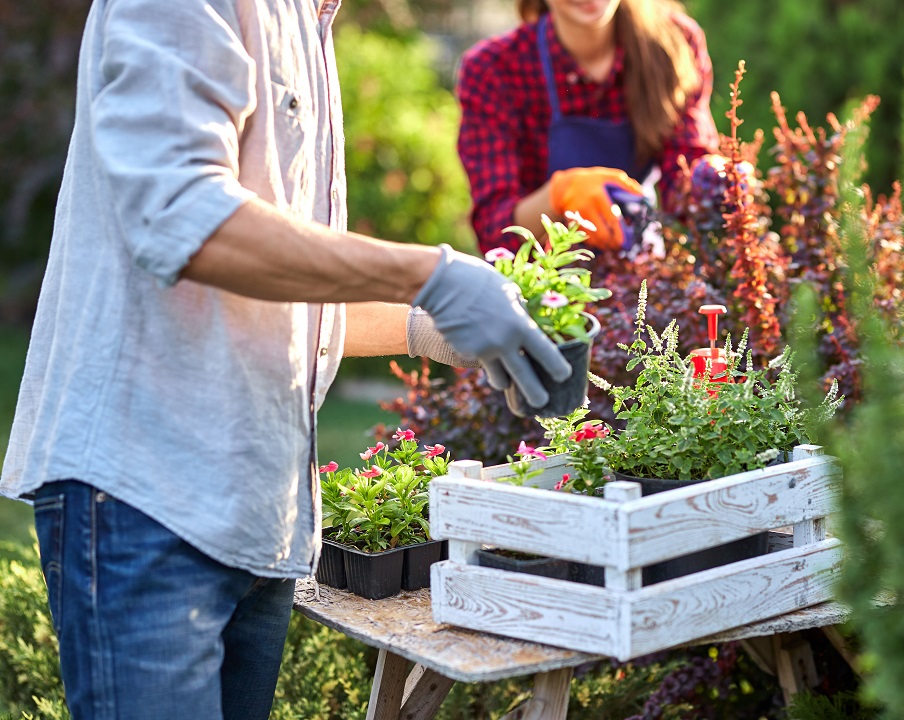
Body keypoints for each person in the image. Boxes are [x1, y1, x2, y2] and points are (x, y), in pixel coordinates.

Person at [0, 1, 571, 718]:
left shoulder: (305, 21)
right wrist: (429, 273)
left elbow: (277, 282)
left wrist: (425, 327)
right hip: (146, 502)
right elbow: (184, 218)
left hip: (253, 514)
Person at [456, 0, 721, 254]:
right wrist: (558, 195)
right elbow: (495, 230)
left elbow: (684, 180)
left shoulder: (673, 42)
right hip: (544, 285)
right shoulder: (493, 69)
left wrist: (716, 183)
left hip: (640, 267)